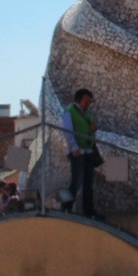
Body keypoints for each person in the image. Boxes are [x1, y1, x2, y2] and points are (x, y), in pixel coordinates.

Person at [61, 87, 100, 218]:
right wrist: (74, 147)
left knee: (88, 182)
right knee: (76, 181)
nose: (89, 103)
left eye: (90, 100)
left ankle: (88, 210)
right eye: (86, 100)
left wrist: (93, 130)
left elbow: (89, 130)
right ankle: (66, 208)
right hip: (77, 152)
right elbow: (67, 131)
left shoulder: (88, 113)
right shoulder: (70, 111)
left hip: (88, 151)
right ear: (79, 100)